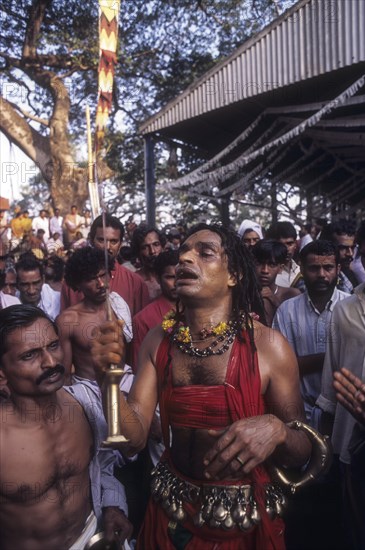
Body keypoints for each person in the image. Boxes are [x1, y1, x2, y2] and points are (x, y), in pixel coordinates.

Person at [93, 223, 329, 550]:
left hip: (243, 522)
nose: (186, 258)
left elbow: (300, 450)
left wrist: (277, 430)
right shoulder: (157, 340)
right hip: (170, 513)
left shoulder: (269, 346)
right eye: (184, 252)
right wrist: (108, 379)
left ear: (233, 276)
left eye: (205, 253)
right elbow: (131, 441)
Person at [0, 305, 132, 549]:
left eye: (53, 346)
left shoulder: (84, 403)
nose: (50, 362)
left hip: (93, 535)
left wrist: (112, 505)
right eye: (29, 355)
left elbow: (101, 465)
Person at [316, 220, 365, 549]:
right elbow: (330, 384)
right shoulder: (344, 310)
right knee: (355, 528)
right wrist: (324, 449)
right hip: (350, 440)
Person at [273, 240, 350, 429]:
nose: (321, 275)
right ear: (303, 270)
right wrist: (333, 358)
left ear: (338, 269)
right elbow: (280, 368)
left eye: (328, 267)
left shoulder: (352, 308)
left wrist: (304, 362)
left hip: (346, 413)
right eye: (314, 268)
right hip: (300, 412)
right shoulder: (287, 311)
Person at [57, 247, 132, 382]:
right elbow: (65, 375)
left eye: (103, 275)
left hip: (124, 384)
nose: (101, 284)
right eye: (92, 279)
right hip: (89, 391)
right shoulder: (68, 320)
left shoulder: (119, 306)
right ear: (78, 284)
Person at [60, 214, 150, 317]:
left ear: (120, 244)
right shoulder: (71, 284)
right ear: (91, 240)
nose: (107, 247)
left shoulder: (136, 283)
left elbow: (142, 328)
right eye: (101, 240)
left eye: (113, 241)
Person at [131, 249, 178, 371]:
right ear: (158, 279)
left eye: (181, 276)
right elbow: (140, 368)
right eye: (170, 277)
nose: (176, 283)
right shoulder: (142, 319)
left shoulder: (197, 310)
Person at [251, 239, 300, 325]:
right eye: (259, 263)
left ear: (281, 268)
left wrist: (275, 302)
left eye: (272, 265)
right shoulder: (243, 296)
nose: (265, 270)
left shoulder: (292, 295)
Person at [15, 254, 60, 320]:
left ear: (43, 280)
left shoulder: (57, 300)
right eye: (25, 285)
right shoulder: (10, 303)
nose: (31, 291)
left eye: (36, 283)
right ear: (17, 285)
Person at [320, 220, 358, 293]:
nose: (350, 253)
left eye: (352, 248)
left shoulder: (351, 275)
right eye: (343, 248)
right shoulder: (319, 280)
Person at [131, 225, 166, 300]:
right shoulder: (133, 281)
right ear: (138, 252)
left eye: (156, 245)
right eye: (145, 247)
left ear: (162, 247)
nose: (152, 251)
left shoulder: (174, 275)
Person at [266, 221, 302, 289]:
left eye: (289, 244)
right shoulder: (266, 274)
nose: (286, 249)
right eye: (281, 245)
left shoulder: (301, 271)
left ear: (295, 244)